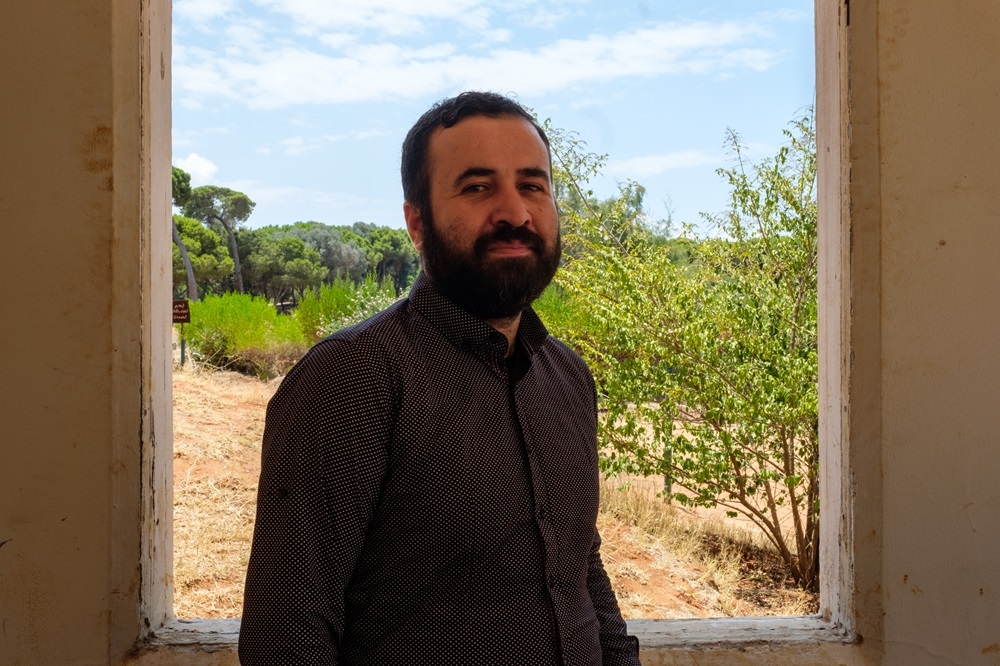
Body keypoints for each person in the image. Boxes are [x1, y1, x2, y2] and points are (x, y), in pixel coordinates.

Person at [238, 91, 642, 666]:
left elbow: (580, 570)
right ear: (416, 221)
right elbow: (289, 633)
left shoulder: (568, 378)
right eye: (478, 187)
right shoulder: (352, 377)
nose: (515, 212)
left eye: (532, 185)